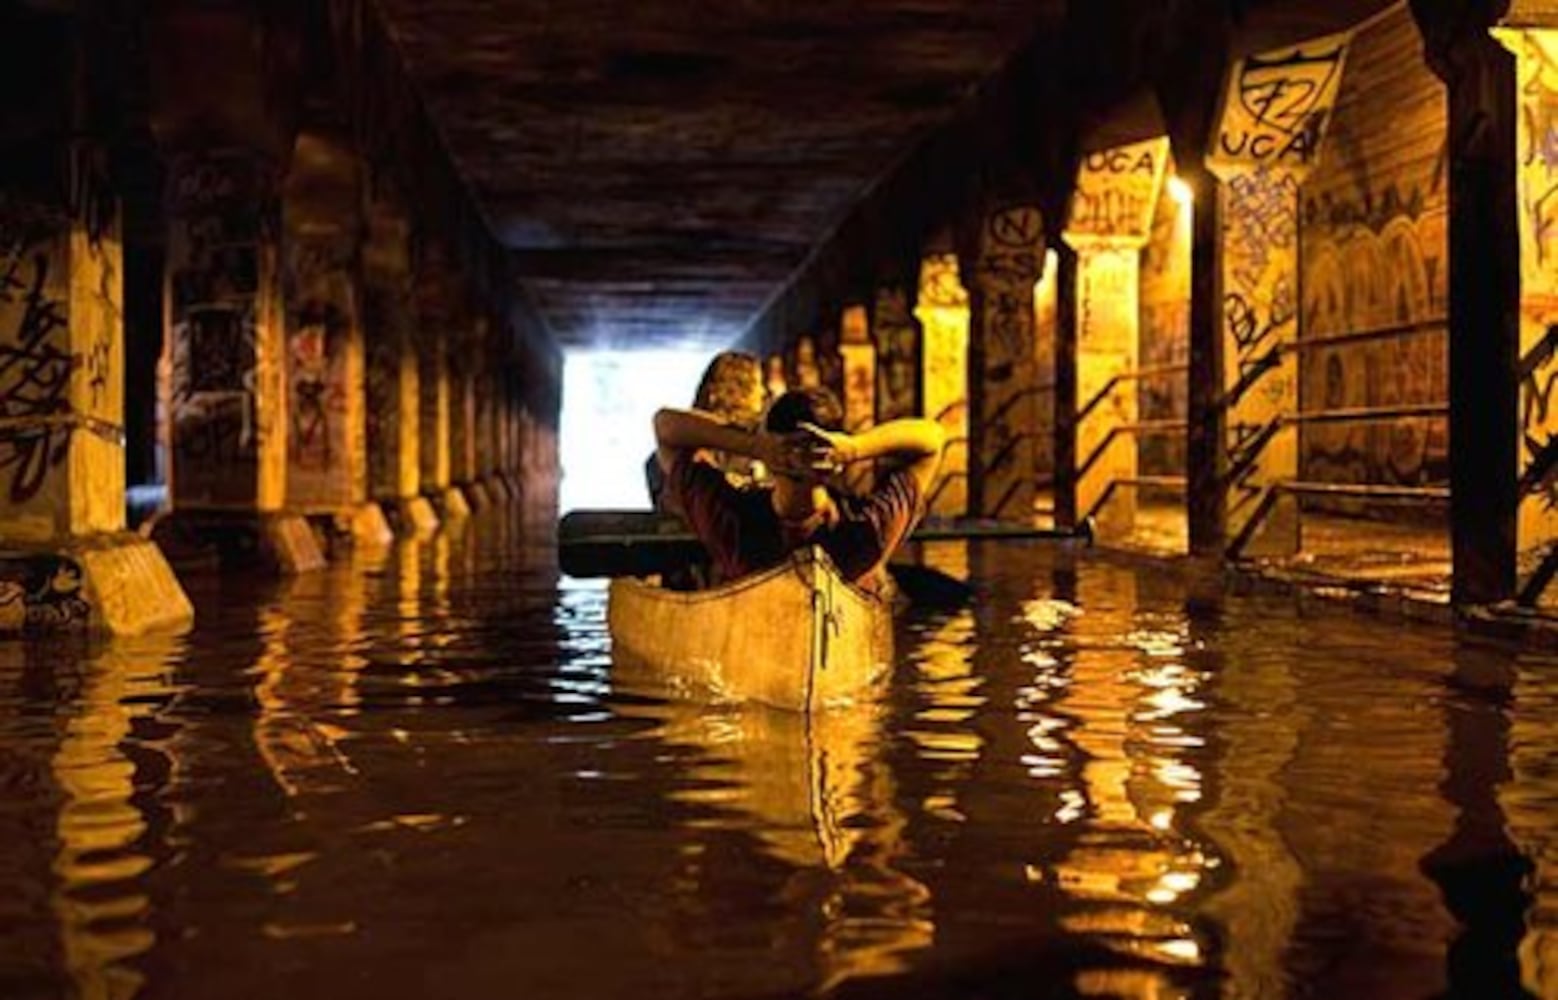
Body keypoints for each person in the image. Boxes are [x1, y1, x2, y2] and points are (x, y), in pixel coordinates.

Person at [653, 385, 944, 593]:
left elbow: (666, 428)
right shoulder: (865, 529)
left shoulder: (732, 520)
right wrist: (855, 448)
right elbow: (931, 442)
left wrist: (756, 446)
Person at [645, 350, 767, 513]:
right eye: (759, 384)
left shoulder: (665, 454)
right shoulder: (760, 452)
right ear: (741, 389)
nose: (764, 392)